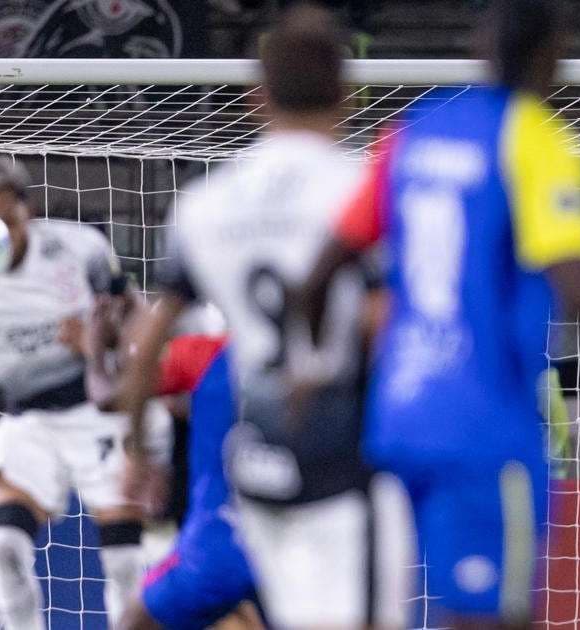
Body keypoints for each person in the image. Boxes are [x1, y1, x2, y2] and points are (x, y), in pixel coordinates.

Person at [298, 1, 580, 627]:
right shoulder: (533, 136)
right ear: (554, 51)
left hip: (395, 421)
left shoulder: (414, 130)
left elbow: (323, 269)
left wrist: (319, 374)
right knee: (496, 616)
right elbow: (575, 283)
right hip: (486, 427)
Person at [119, 6, 401, 628]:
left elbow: (147, 346)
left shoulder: (205, 204)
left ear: (256, 98)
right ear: (347, 95)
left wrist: (138, 451)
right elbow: (385, 324)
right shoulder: (365, 189)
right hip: (346, 462)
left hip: (258, 465)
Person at [0, 157, 166, 628]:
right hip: (30, 418)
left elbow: (137, 315)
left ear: (28, 210)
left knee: (125, 560)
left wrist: (98, 340)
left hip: (97, 410)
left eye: (6, 219)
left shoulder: (77, 247)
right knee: (2, 544)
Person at [116, 331, 262, 630]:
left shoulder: (211, 355)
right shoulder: (207, 354)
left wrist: (137, 454)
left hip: (223, 539)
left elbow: (114, 389)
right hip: (290, 538)